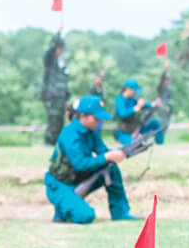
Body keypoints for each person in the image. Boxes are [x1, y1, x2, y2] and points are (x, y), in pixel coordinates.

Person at [44, 95, 135, 223]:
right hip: (60, 185)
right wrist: (107, 156)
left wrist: (123, 151)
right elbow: (80, 164)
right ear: (83, 116)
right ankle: (63, 208)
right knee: (85, 216)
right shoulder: (69, 133)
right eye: (96, 118)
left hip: (78, 178)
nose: (99, 122)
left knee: (111, 167)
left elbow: (103, 152)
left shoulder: (91, 132)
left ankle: (120, 212)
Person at [40, 28, 70, 145]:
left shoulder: (62, 63)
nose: (60, 51)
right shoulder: (50, 61)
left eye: (61, 48)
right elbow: (51, 50)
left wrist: (66, 97)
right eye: (58, 48)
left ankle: (58, 142)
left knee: (59, 120)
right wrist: (58, 32)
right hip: (51, 96)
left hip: (61, 97)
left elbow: (65, 81)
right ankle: (49, 142)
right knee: (52, 120)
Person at [113, 79, 163, 146]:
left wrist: (154, 104)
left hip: (137, 129)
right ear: (128, 89)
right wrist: (136, 108)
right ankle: (139, 140)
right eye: (134, 91)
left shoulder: (133, 100)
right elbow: (123, 114)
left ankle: (160, 144)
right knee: (134, 144)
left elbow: (144, 105)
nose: (135, 93)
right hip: (124, 133)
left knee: (155, 123)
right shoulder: (119, 99)